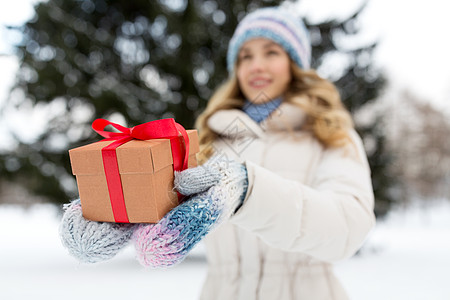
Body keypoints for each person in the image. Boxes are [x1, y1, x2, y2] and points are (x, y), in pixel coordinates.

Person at [60, 6, 375, 300]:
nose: (257, 65)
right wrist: (114, 208)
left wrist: (247, 190)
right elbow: (170, 197)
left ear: (296, 64)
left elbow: (348, 228)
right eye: (245, 56)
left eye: (272, 52)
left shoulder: (331, 134)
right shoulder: (215, 139)